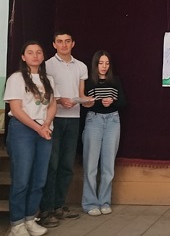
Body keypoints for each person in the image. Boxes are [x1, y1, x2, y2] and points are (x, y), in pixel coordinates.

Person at [4, 41, 57, 236]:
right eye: (30, 52)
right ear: (23, 57)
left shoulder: (48, 79)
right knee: (22, 179)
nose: (35, 56)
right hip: (23, 130)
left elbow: (52, 105)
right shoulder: (16, 78)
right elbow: (16, 109)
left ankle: (30, 218)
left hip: (44, 130)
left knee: (39, 179)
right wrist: (38, 128)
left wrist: (46, 125)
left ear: (43, 56)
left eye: (38, 52)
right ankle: (17, 224)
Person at [39, 31, 90, 227]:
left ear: (73, 43)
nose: (64, 45)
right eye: (60, 41)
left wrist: (86, 101)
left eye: (67, 41)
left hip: (73, 119)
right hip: (53, 119)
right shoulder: (47, 65)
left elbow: (81, 94)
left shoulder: (81, 66)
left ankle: (60, 205)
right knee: (52, 165)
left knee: (66, 165)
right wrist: (60, 100)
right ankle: (47, 208)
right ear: (54, 44)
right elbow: (44, 93)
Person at [81, 50, 126, 216]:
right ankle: (90, 203)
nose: (104, 66)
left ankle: (104, 201)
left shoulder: (115, 80)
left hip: (113, 120)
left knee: (108, 165)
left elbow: (123, 102)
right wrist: (96, 103)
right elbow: (83, 103)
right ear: (95, 64)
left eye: (107, 63)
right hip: (94, 120)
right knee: (91, 165)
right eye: (101, 63)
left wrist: (112, 102)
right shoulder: (89, 82)